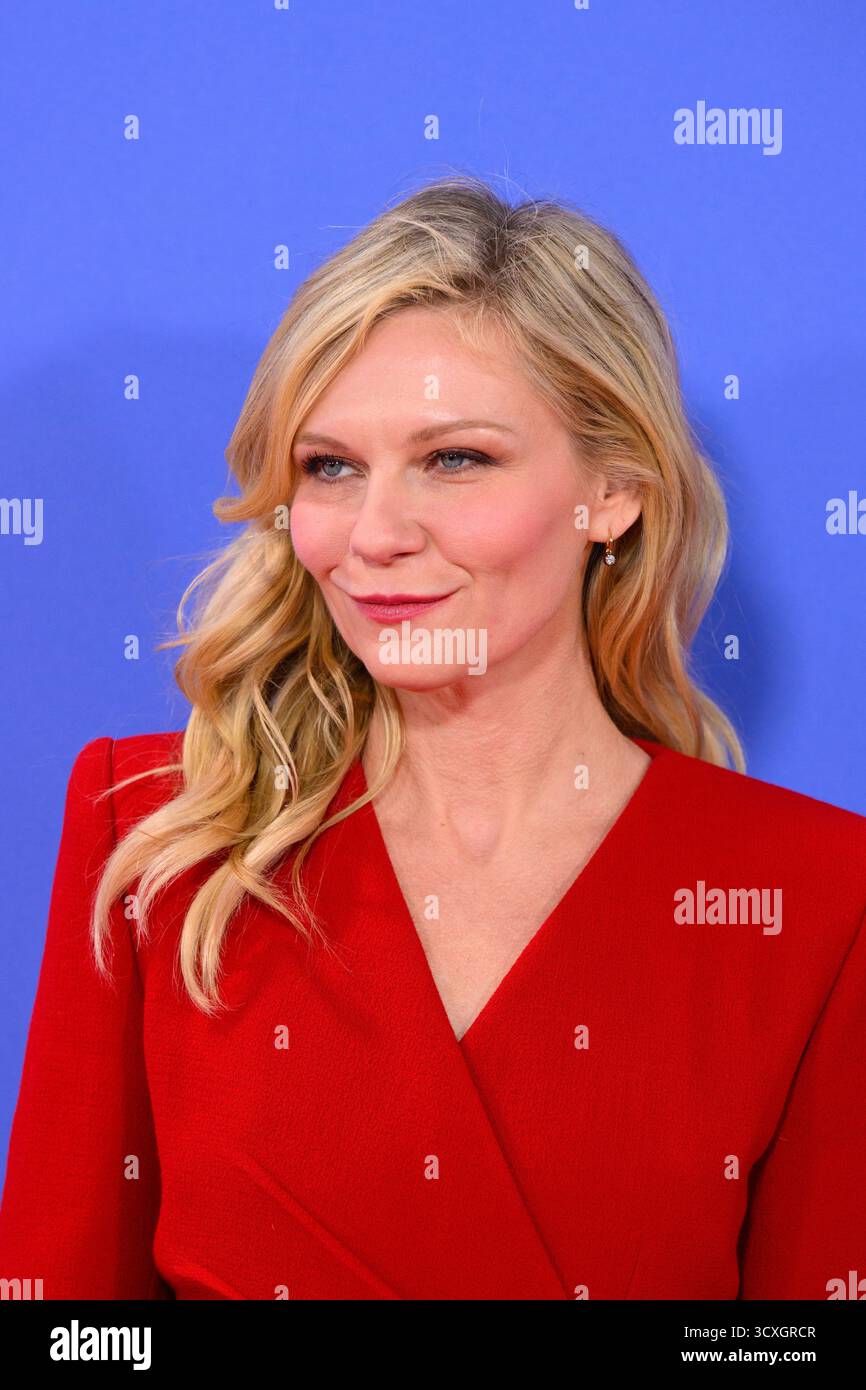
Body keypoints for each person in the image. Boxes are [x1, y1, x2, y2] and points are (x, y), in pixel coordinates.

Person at [1, 174, 864, 1301]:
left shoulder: (807, 890)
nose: (375, 534)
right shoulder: (159, 828)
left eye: (454, 459)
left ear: (611, 490)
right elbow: (66, 1321)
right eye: (330, 468)